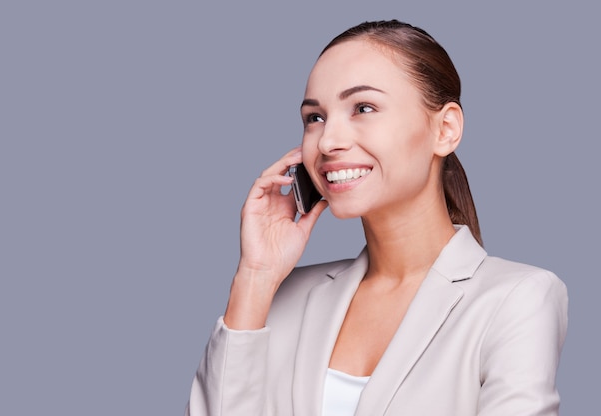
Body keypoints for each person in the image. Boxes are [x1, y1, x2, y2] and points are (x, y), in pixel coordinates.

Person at [185, 19, 568, 416]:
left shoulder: (517, 299)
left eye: (363, 108)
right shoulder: (283, 295)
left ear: (446, 129)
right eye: (314, 118)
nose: (329, 141)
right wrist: (256, 275)